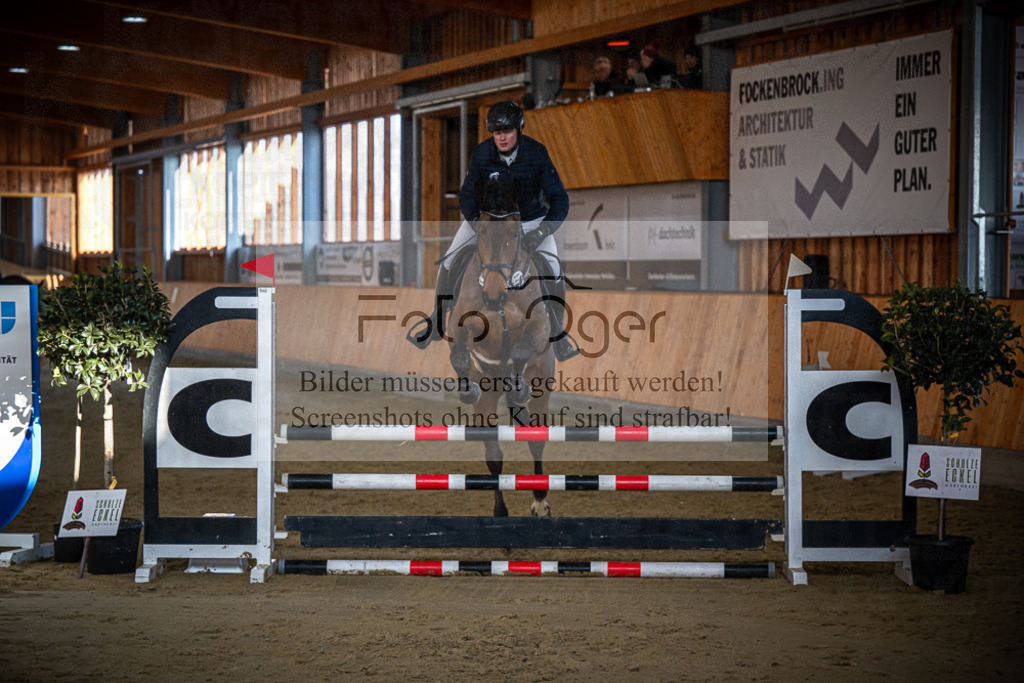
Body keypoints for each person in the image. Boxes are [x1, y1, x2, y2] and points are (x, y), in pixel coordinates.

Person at [408, 100, 578, 361]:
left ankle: (557, 332)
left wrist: (542, 232)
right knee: (450, 260)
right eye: (497, 133)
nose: (501, 137)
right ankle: (437, 320)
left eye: (507, 132)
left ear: (519, 130)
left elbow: (560, 200)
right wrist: (477, 222)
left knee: (554, 270)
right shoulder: (481, 153)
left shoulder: (536, 153)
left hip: (529, 222)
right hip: (487, 221)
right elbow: (466, 195)